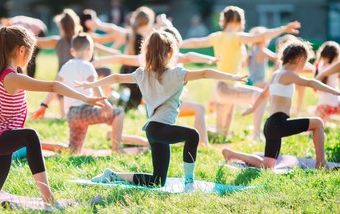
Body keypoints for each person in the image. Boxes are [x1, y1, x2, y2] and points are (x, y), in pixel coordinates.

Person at [0, 25, 105, 208]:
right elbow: (53, 86)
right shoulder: (11, 77)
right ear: (21, 49)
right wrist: (85, 97)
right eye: (31, 52)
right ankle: (49, 200)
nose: (30, 57)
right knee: (30, 136)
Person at [78, 30, 247, 192]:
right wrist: (231, 77)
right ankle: (189, 183)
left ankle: (112, 176)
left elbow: (115, 77)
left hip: (154, 130)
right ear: (171, 53)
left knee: (157, 181)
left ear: (147, 52)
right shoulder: (176, 73)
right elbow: (204, 73)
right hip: (159, 128)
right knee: (193, 135)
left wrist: (90, 85)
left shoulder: (142, 74)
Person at [180, 5, 301, 140]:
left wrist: (177, 43)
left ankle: (193, 133)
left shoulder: (217, 36)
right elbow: (262, 36)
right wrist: (283, 29)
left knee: (221, 134)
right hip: (228, 89)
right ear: (240, 22)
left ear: (223, 21)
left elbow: (195, 42)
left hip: (221, 88)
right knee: (260, 96)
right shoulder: (237, 37)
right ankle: (256, 135)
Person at [222, 40, 340, 170]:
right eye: (305, 62)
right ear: (300, 59)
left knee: (267, 165)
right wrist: (334, 91)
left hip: (270, 125)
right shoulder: (288, 74)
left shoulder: (275, 74)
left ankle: (232, 154)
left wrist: (252, 109)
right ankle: (321, 163)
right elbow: (310, 83)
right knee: (317, 123)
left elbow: (263, 95)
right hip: (279, 123)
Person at [32, 33, 147, 153]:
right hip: (84, 110)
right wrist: (105, 103)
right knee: (118, 113)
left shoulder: (66, 66)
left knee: (73, 150)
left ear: (72, 51)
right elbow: (95, 85)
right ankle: (117, 150)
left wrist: (44, 106)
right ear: (89, 50)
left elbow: (54, 87)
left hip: (71, 114)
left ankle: (38, 145)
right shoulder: (88, 66)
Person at [314, 41, 340, 124]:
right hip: (335, 104)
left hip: (322, 105)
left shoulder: (317, 68)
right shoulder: (334, 69)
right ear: (335, 56)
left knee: (318, 126)